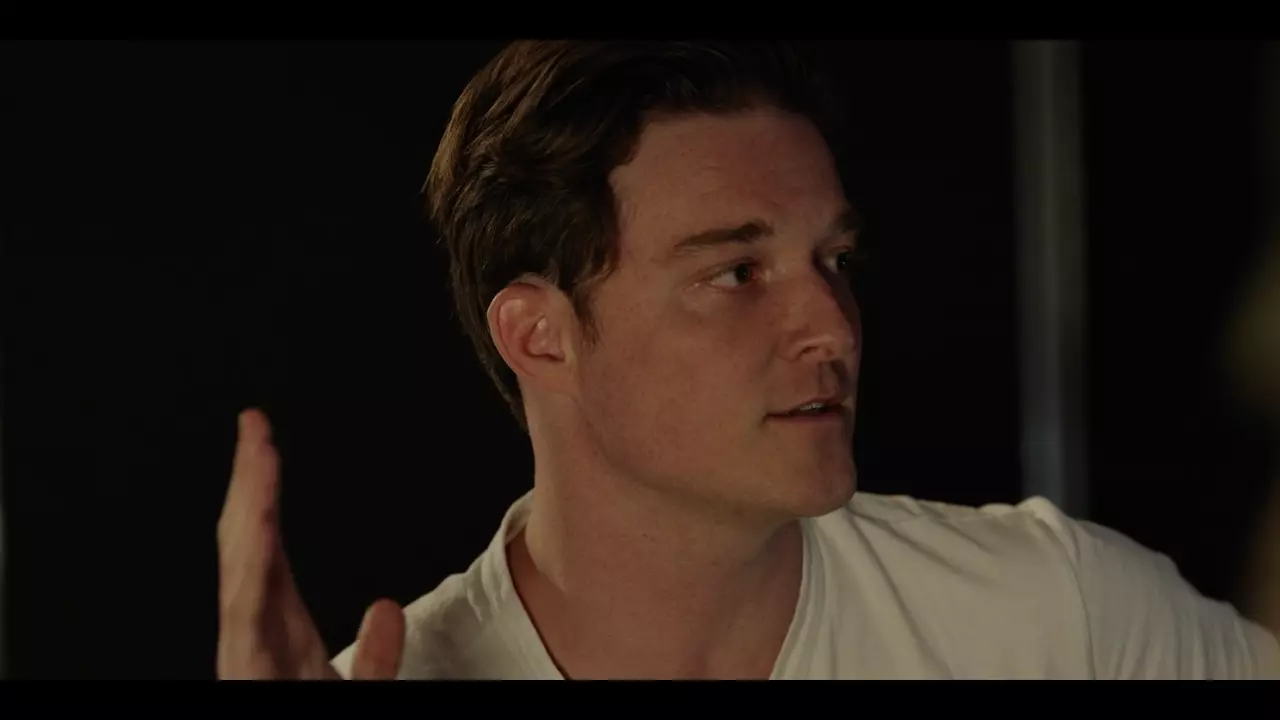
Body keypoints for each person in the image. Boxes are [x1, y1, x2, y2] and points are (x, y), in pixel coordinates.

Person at [215, 40, 1280, 680]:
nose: (833, 327)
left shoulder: (1056, 618)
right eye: (736, 273)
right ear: (540, 334)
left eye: (834, 261)